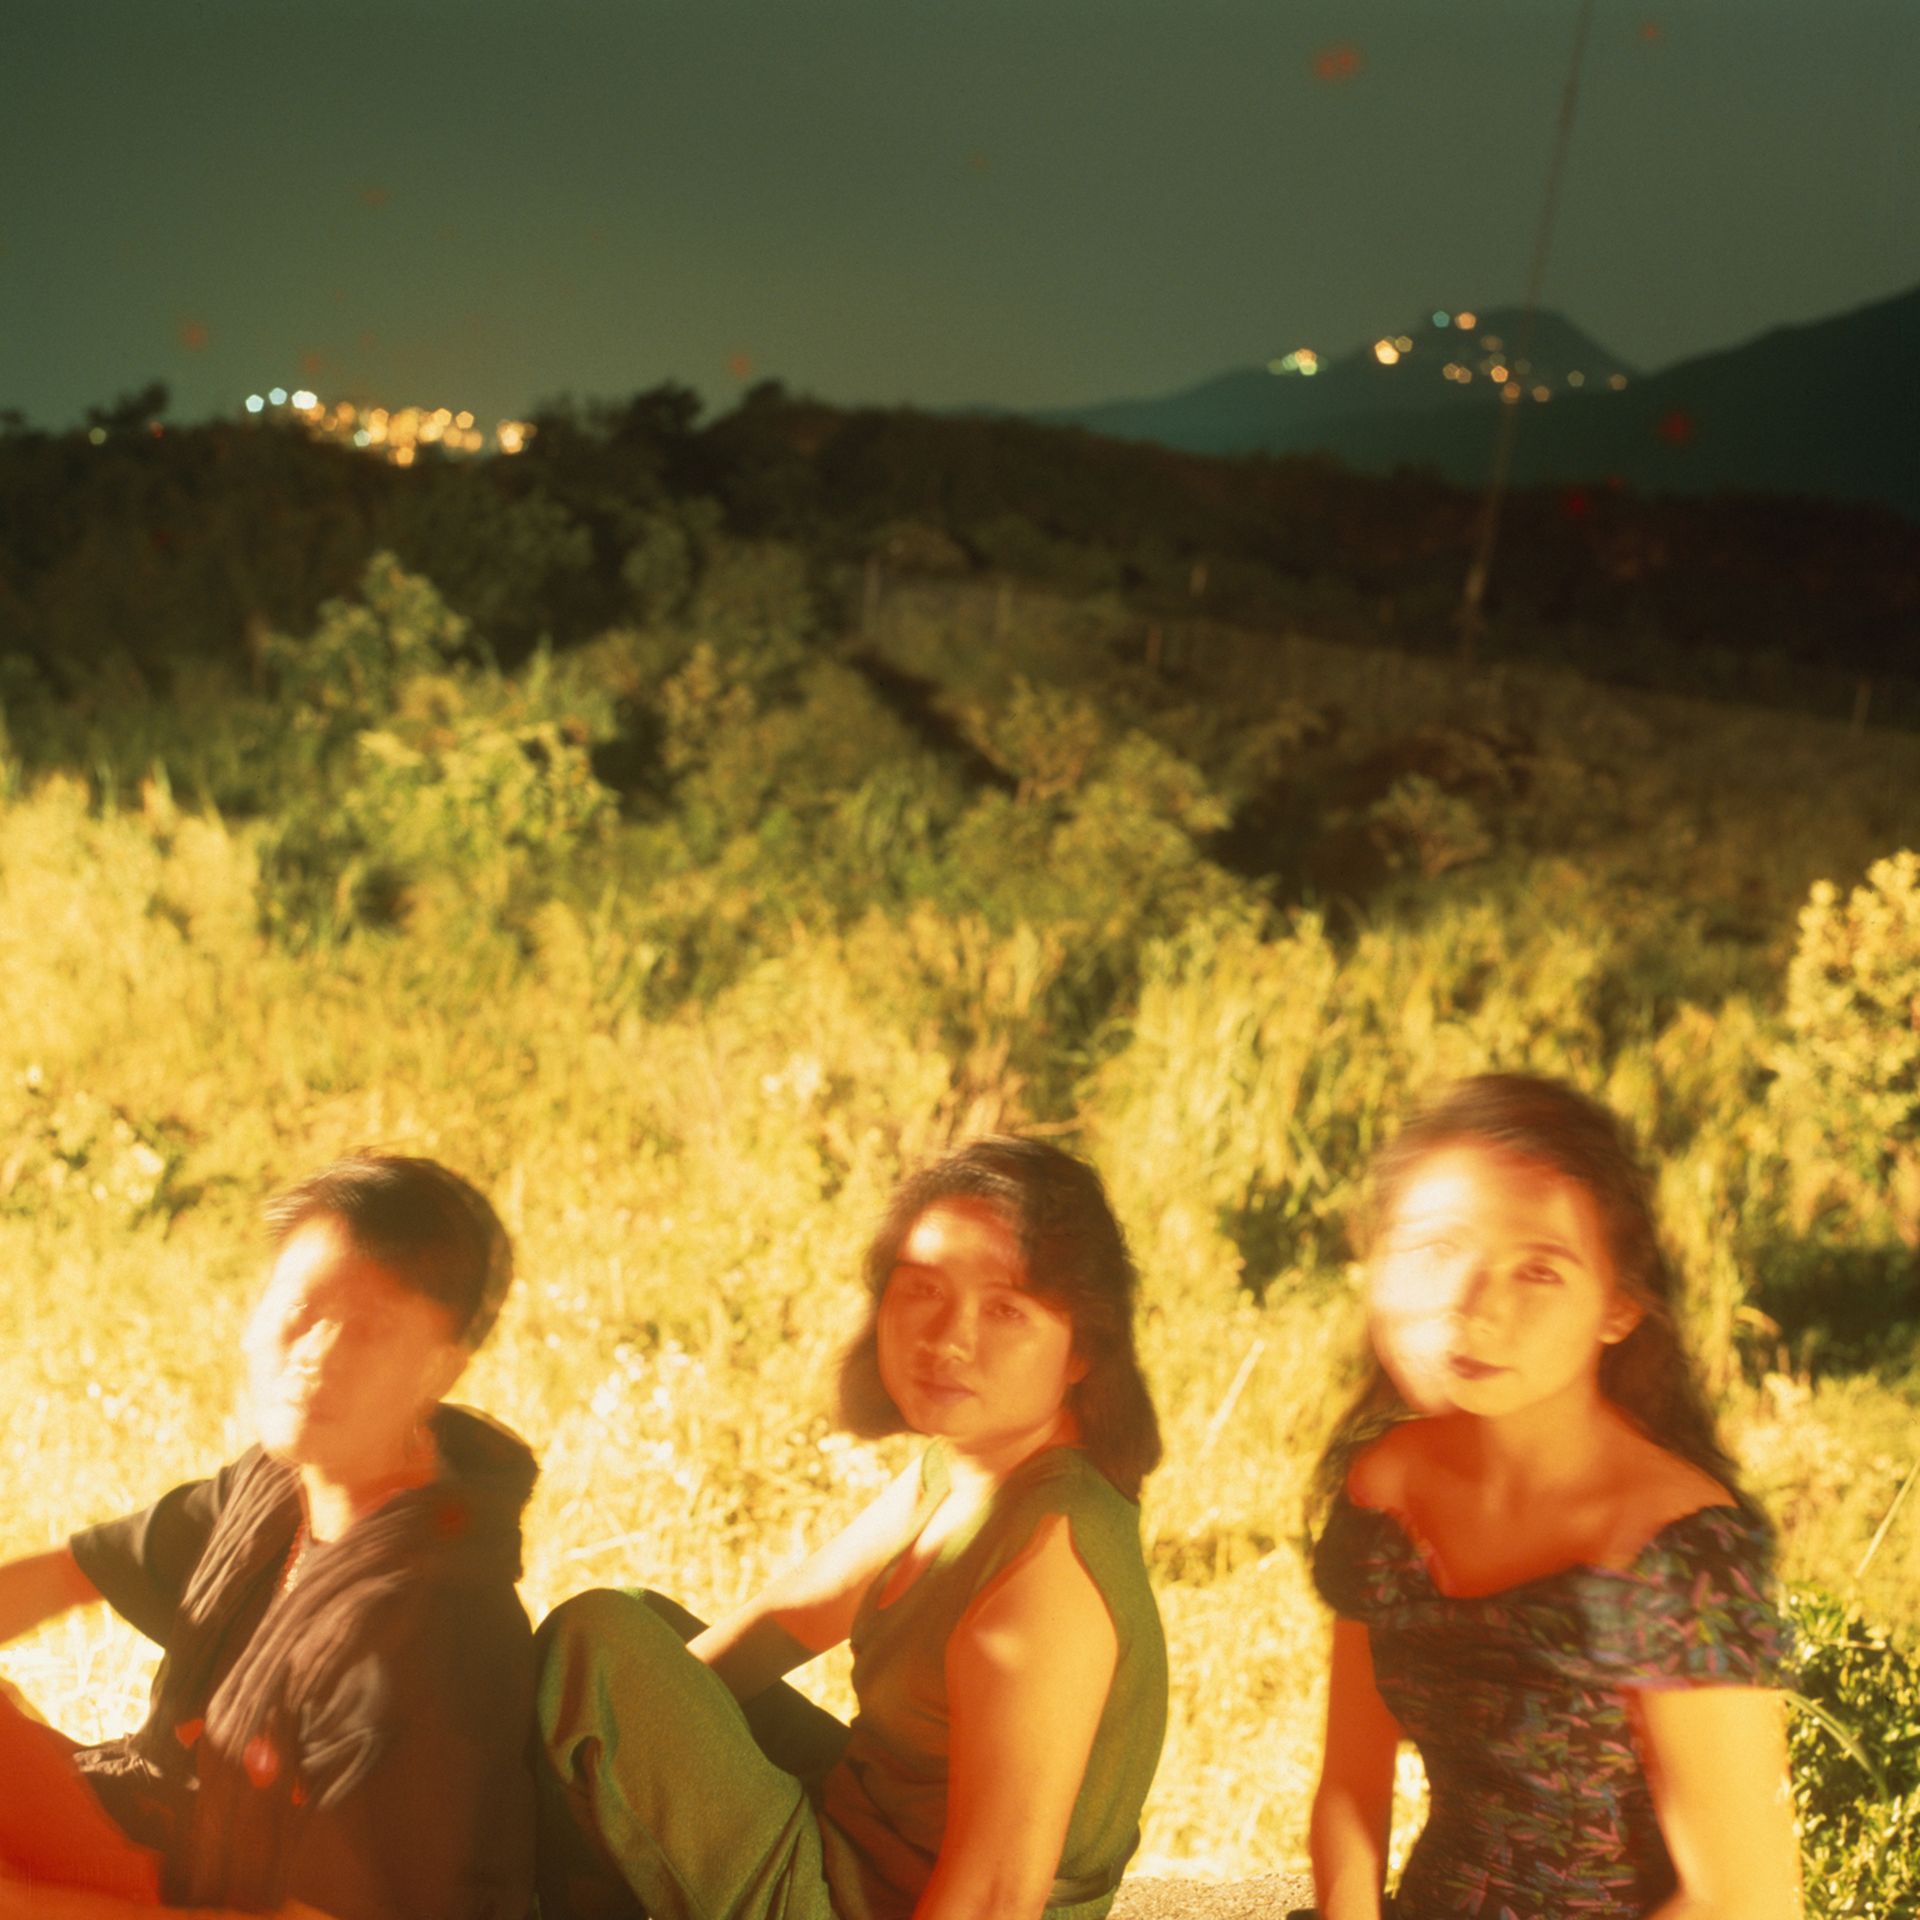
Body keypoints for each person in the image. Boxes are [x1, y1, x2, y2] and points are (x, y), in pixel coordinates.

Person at [535, 1135, 1168, 1920]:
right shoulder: (967, 1466)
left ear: (1082, 1349)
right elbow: (783, 1622)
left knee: (595, 1643)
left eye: (1005, 1308)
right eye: (922, 1290)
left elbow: (996, 1897)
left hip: (872, 1903)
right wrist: (575, 1755)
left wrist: (580, 1722)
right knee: (642, 1627)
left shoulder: (1049, 1564)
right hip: (853, 1830)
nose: (948, 1338)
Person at [1306, 1073, 1801, 1920]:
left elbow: (1743, 1900)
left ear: (1620, 1305)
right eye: (1440, 1249)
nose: (1476, 1309)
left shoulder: (1677, 1549)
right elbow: (1352, 1788)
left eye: (1538, 1270)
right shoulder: (1386, 1486)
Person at [0, 1153, 540, 1920]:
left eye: (370, 1331)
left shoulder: (436, 1637)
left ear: (438, 1370)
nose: (317, 1357)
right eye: (301, 1311)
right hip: (154, 1846)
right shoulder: (272, 1491)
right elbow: (64, 1576)